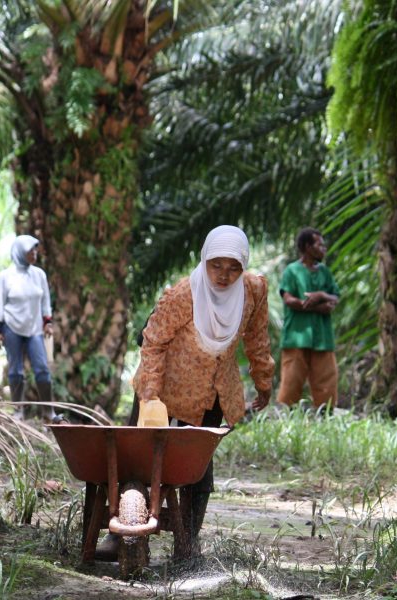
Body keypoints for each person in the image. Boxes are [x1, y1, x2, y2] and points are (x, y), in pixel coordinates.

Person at [101, 225, 274, 559]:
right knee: (137, 461)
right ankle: (119, 535)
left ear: (243, 266)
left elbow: (257, 338)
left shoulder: (253, 290)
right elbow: (152, 341)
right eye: (216, 265)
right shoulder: (185, 294)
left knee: (197, 468)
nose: (224, 275)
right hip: (163, 388)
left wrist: (263, 382)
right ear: (204, 260)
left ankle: (187, 544)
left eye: (233, 267)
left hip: (212, 394)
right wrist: (150, 393)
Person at [0, 234, 59, 422]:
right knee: (15, 370)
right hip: (11, 327)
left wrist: (48, 322)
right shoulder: (5, 276)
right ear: (21, 252)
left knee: (42, 370)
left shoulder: (39, 275)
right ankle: (18, 411)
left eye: (36, 250)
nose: (35, 254)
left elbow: (45, 300)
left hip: (34, 328)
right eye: (31, 250)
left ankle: (48, 411)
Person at [276, 227, 340, 408]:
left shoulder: (325, 272)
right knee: (291, 381)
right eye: (319, 245)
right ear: (307, 247)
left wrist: (320, 294)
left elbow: (335, 297)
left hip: (323, 337)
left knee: (326, 382)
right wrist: (319, 307)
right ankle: (285, 418)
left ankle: (325, 417)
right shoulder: (292, 271)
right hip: (297, 336)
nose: (324, 248)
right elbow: (288, 300)